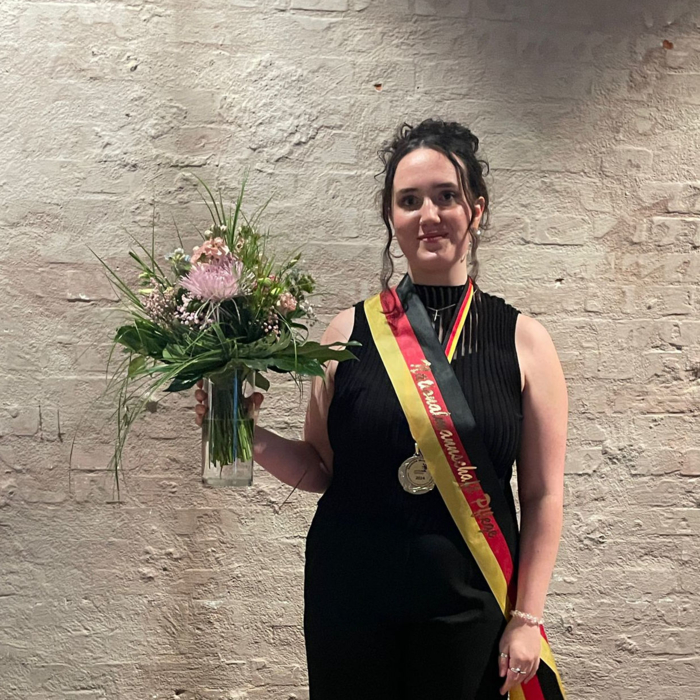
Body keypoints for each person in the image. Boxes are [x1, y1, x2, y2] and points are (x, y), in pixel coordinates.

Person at [194, 118, 568, 700]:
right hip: (350, 598)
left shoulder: (524, 342)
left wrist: (527, 618)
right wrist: (248, 433)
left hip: (470, 600)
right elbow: (321, 468)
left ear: (476, 210)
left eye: (446, 196)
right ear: (392, 217)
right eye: (409, 200)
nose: (428, 214)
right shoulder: (346, 332)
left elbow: (543, 495)